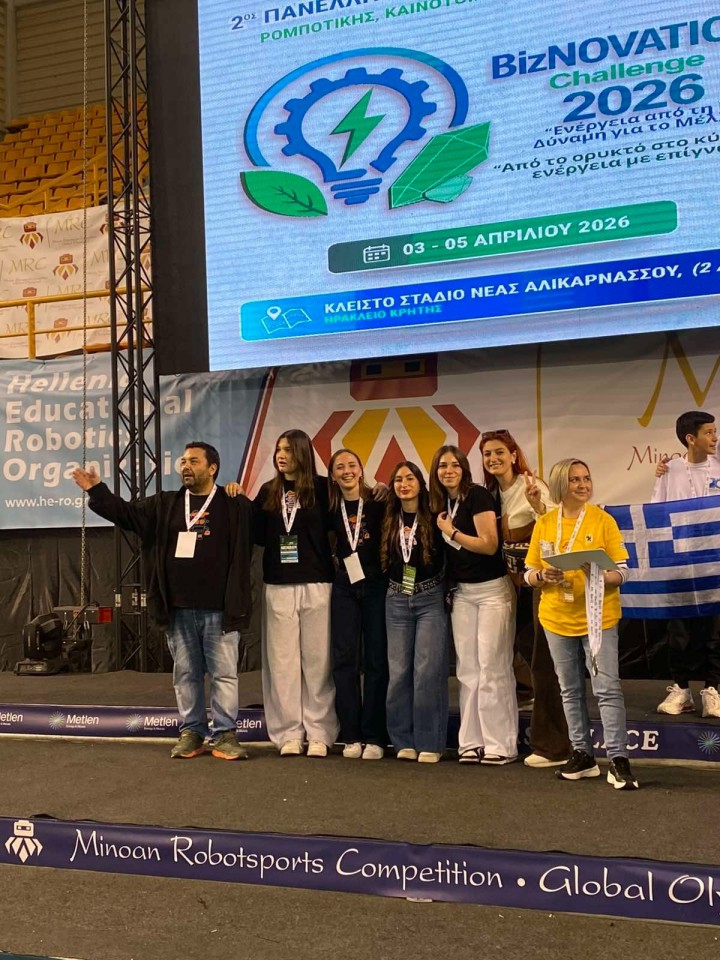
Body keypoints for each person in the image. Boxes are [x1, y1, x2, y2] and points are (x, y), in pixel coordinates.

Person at [72, 442, 253, 760]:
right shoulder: (165, 504)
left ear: (212, 468)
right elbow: (126, 514)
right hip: (178, 608)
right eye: (183, 461)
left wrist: (241, 495)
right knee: (186, 674)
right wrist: (97, 490)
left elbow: (263, 526)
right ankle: (192, 732)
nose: (186, 466)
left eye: (194, 461)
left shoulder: (232, 504)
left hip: (221, 609)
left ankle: (225, 734)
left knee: (224, 674)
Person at [525, 458, 639, 789]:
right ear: (561, 484)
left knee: (607, 688)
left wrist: (601, 575)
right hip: (555, 618)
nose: (583, 484)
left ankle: (618, 759)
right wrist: (542, 575)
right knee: (569, 689)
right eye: (575, 479)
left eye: (586, 478)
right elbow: (529, 572)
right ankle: (582, 754)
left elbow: (623, 572)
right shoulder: (545, 523)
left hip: (598, 618)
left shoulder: (603, 521)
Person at [480, 429, 571, 768]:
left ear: (514, 455)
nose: (493, 459)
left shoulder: (532, 486)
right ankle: (523, 694)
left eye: (499, 452)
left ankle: (553, 746)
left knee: (544, 662)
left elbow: (558, 527)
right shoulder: (490, 494)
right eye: (487, 454)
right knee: (506, 649)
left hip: (541, 585)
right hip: (507, 584)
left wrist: (539, 507)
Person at [430, 444, 517, 764]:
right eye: (442, 466)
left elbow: (489, 545)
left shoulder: (477, 495)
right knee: (467, 669)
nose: (448, 471)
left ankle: (501, 745)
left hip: (492, 591)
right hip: (462, 594)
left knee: (492, 667)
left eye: (454, 465)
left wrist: (451, 531)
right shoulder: (440, 503)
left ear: (464, 469)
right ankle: (471, 741)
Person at [254, 429, 339, 757]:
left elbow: (345, 522)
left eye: (288, 449)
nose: (281, 455)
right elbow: (256, 533)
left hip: (317, 582)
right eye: (278, 449)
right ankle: (289, 732)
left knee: (318, 662)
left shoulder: (324, 488)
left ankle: (320, 732)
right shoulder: (268, 491)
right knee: (283, 663)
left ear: (302, 453)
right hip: (278, 584)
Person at [652, 411, 720, 718]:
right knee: (679, 631)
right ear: (691, 438)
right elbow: (655, 512)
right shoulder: (670, 469)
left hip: (715, 562)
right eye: (709, 432)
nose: (715, 438)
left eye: (715, 431)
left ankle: (713, 690)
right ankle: (681, 690)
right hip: (680, 562)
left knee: (715, 630)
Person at [381, 461, 449, 763]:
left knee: (427, 672)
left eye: (410, 478)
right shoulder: (387, 515)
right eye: (398, 480)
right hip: (396, 598)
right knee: (398, 673)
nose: (404, 484)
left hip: (429, 598)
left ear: (421, 483)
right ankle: (402, 741)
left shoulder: (435, 515)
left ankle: (429, 741)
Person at [328, 448, 388, 760]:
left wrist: (386, 488)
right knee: (344, 660)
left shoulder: (378, 502)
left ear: (362, 470)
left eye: (352, 465)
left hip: (376, 585)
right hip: (344, 587)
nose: (347, 471)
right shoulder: (329, 506)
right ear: (332, 475)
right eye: (340, 467)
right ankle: (351, 735)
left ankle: (375, 736)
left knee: (376, 660)